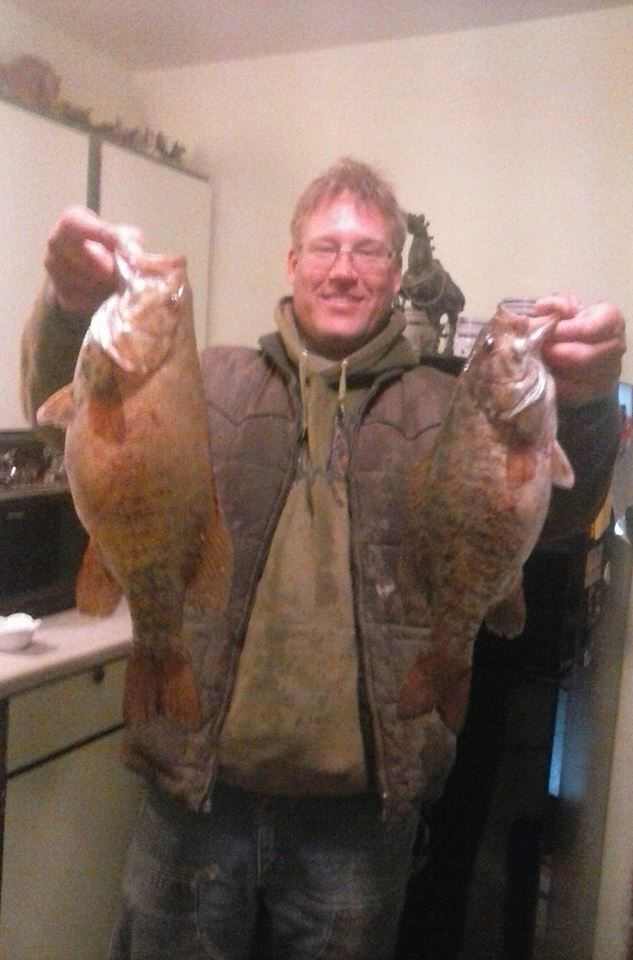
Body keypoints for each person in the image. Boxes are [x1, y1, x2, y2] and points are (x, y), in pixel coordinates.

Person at [21, 158, 626, 960]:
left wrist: (584, 401)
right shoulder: (202, 378)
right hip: (194, 798)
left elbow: (554, 522)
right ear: (292, 262)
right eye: (325, 246)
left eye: (370, 251)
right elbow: (75, 416)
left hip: (357, 820)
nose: (344, 268)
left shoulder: (454, 404)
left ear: (396, 274)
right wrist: (69, 306)